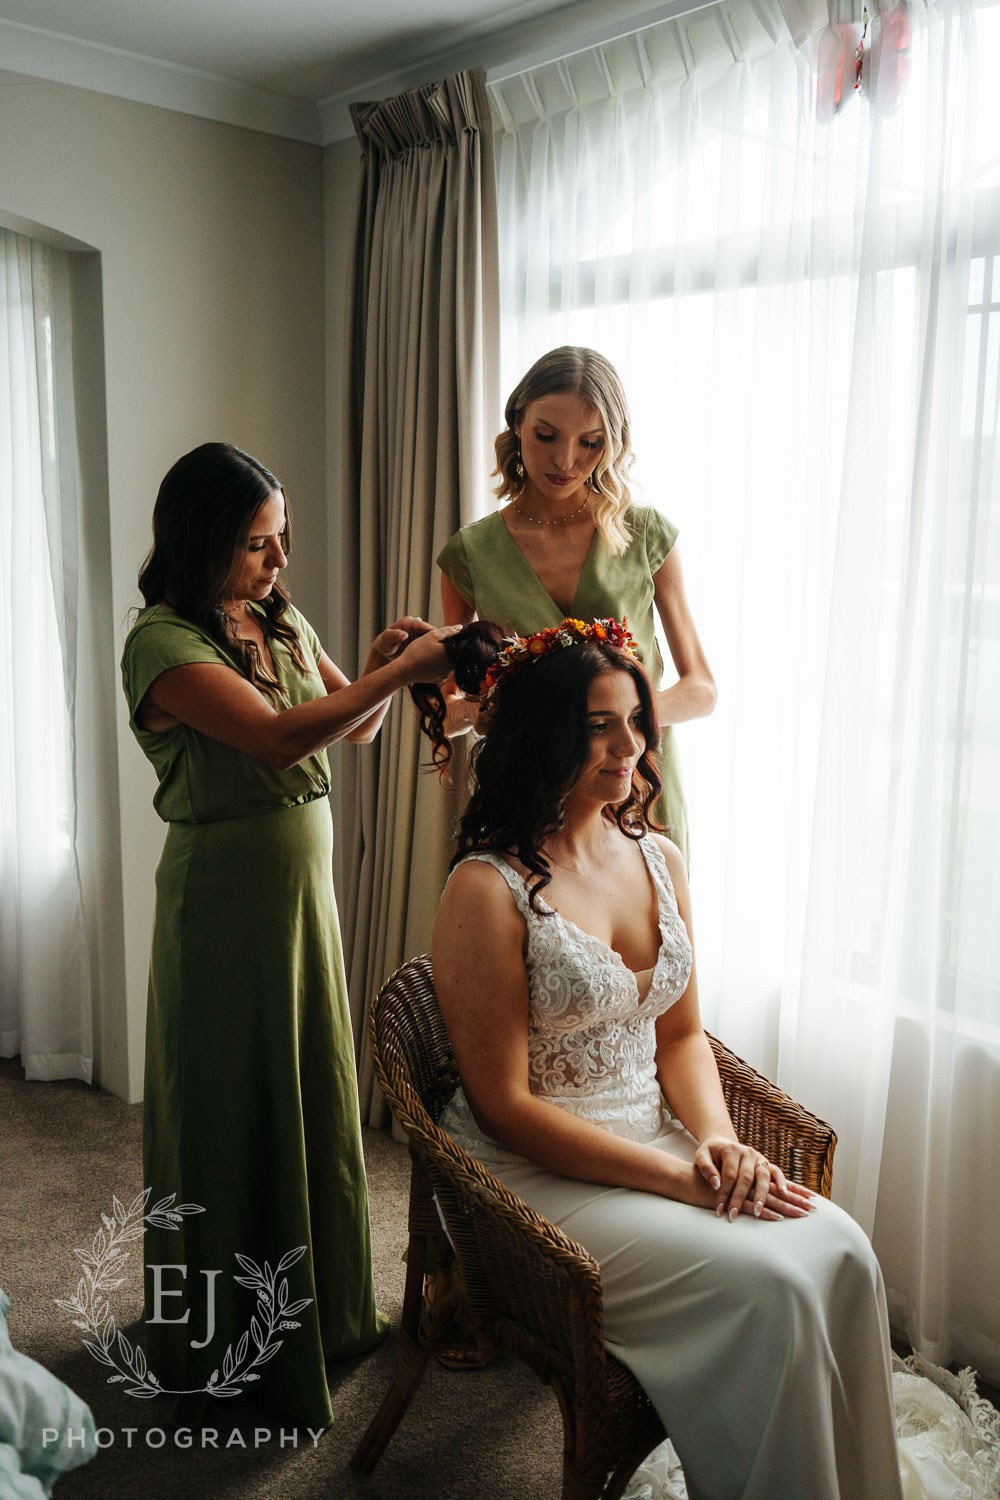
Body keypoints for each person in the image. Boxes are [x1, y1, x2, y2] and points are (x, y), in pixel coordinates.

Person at [429, 617, 906, 1500]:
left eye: (636, 720)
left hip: (654, 1129)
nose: (630, 746)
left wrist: (715, 1142)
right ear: (542, 735)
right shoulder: (484, 888)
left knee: (843, 1250)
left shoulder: (659, 856)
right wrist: (677, 1182)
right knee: (772, 1289)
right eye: (599, 724)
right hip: (536, 1171)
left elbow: (681, 1036)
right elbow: (504, 1105)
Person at [121, 442, 457, 1429]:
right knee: (233, 1105)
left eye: (282, 542)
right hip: (224, 901)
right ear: (206, 540)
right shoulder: (163, 641)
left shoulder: (273, 616)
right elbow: (276, 738)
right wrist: (402, 674)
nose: (278, 563)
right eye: (258, 545)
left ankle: (325, 1313)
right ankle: (226, 1339)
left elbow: (348, 728)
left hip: (300, 898)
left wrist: (391, 673)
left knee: (310, 1093)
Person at [436, 346, 716, 862]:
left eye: (591, 443)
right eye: (546, 436)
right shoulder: (471, 554)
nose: (565, 461)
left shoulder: (646, 534)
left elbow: (701, 688)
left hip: (635, 784)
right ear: (518, 422)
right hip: (530, 794)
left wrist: (627, 721)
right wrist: (507, 713)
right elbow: (445, 710)